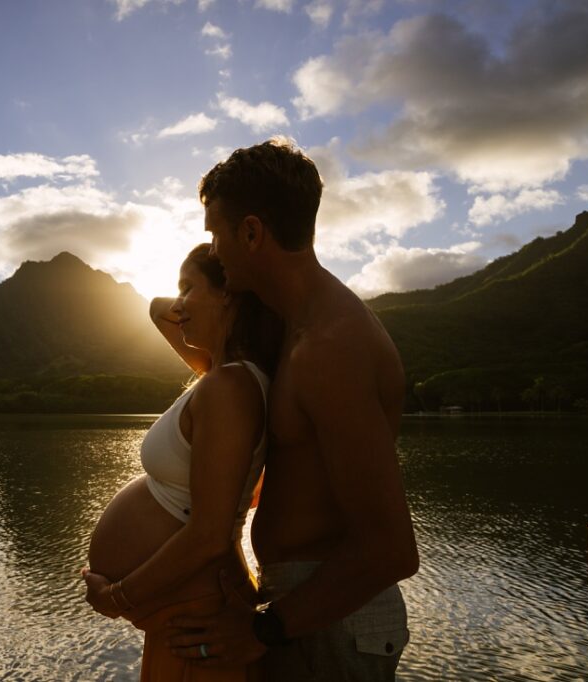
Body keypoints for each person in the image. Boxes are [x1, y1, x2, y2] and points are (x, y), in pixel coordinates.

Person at [166, 138, 420, 680]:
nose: (213, 250)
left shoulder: (332, 346)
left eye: (216, 234)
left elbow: (390, 548)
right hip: (304, 608)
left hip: (331, 621)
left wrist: (262, 629)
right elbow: (166, 315)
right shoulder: (293, 327)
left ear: (252, 232)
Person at [82, 244, 283, 681]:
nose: (177, 304)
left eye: (189, 288)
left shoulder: (229, 387)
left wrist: (118, 597)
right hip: (183, 608)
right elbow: (158, 311)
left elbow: (209, 535)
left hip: (195, 616)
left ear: (228, 294)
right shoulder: (222, 373)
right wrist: (193, 296)